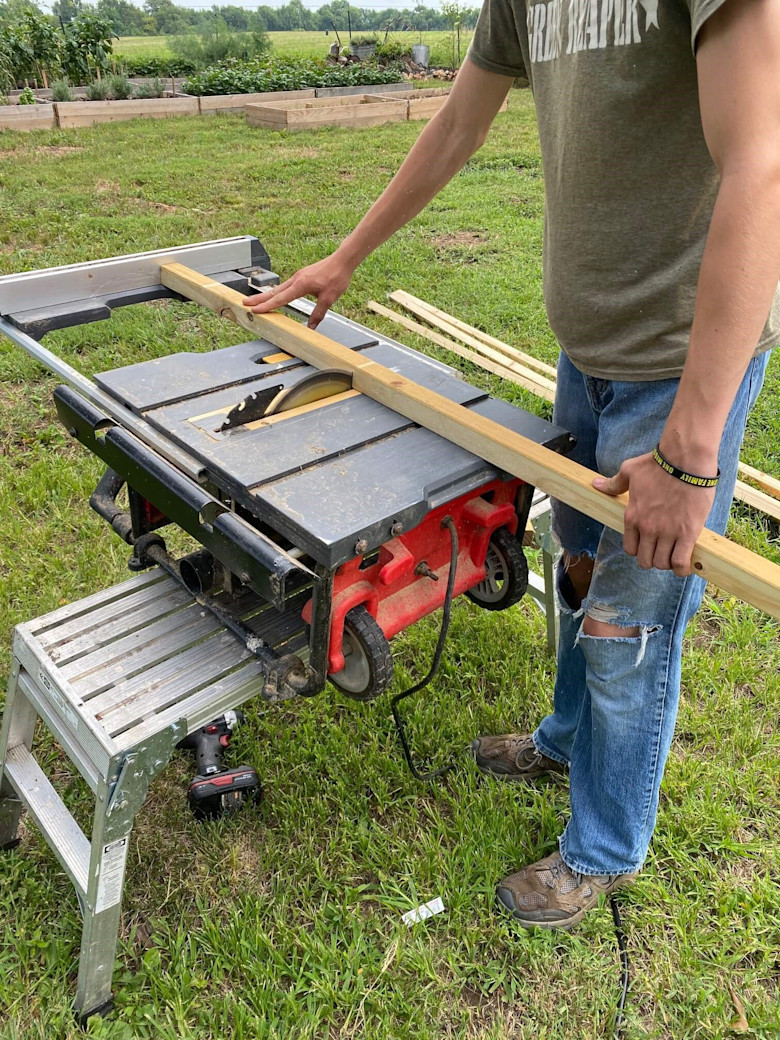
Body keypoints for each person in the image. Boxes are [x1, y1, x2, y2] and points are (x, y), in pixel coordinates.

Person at [242, 0, 779, 929]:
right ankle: (564, 741)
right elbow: (458, 122)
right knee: (577, 570)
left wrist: (691, 452)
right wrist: (346, 256)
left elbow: (762, 164)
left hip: (680, 365)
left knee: (627, 623)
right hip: (588, 349)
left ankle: (604, 850)